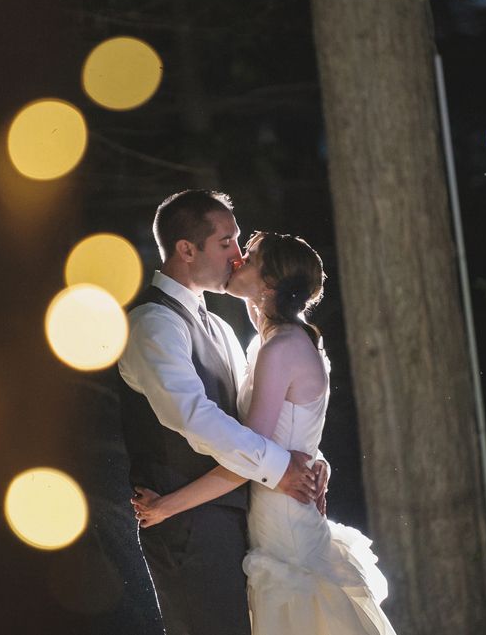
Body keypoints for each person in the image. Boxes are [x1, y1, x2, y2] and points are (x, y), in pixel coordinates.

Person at [132, 231, 397, 635]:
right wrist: (314, 458)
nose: (237, 259)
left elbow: (251, 455)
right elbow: (278, 439)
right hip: (270, 521)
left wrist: (167, 506)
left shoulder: (280, 348)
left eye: (250, 258)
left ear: (270, 283)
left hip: (283, 530)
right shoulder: (271, 341)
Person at [117, 190, 330, 635]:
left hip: (238, 523)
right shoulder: (154, 324)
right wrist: (281, 466)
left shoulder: (218, 328)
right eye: (227, 242)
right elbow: (196, 418)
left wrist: (308, 458)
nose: (236, 255)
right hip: (190, 529)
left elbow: (257, 419)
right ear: (186, 249)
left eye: (239, 244)